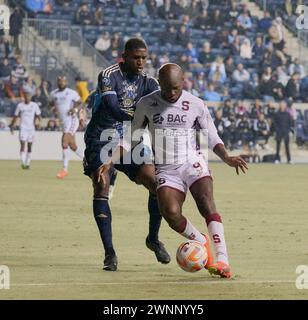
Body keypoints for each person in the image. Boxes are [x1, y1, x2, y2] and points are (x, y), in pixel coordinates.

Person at [99, 63, 248, 278]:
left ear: (184, 81)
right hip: (166, 169)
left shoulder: (196, 104)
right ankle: (200, 240)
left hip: (192, 162)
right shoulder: (146, 104)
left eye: (176, 88)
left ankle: (223, 260)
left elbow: (212, 136)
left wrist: (227, 157)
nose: (171, 93)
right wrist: (110, 160)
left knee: (206, 202)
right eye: (167, 87)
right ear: (159, 83)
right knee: (170, 213)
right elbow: (130, 138)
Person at [83, 38, 170, 271]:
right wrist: (141, 115)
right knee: (101, 185)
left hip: (132, 140)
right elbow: (111, 107)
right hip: (102, 137)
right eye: (136, 57)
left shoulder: (150, 83)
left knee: (156, 183)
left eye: (144, 58)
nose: (140, 62)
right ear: (125, 56)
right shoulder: (109, 75)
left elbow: (159, 111)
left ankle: (152, 238)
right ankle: (110, 254)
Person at [49, 76, 83, 178]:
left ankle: (64, 169)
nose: (61, 83)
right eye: (60, 81)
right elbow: (50, 103)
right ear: (57, 82)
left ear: (66, 82)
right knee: (73, 146)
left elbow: (80, 102)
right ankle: (89, 161)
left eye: (63, 81)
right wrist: (53, 108)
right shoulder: (54, 94)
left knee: (64, 141)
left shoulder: (71, 92)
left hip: (72, 120)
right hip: (63, 123)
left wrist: (75, 110)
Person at [10, 92, 41, 169]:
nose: (28, 98)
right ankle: (23, 163)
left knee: (30, 146)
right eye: (26, 97)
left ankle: (28, 163)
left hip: (31, 128)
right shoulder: (20, 105)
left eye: (29, 97)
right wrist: (12, 126)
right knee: (23, 145)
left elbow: (38, 115)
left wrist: (38, 122)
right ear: (24, 97)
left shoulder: (34, 105)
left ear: (31, 98)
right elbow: (16, 116)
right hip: (23, 128)